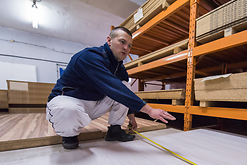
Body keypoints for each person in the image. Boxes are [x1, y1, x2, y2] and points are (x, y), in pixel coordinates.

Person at [46, 27, 176, 149]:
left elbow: (123, 91)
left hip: (94, 104)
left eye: (129, 46)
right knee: (68, 109)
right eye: (122, 42)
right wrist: (150, 110)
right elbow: (113, 87)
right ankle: (69, 136)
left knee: (125, 85)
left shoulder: (119, 67)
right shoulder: (89, 57)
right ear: (109, 40)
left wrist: (131, 117)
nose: (126, 48)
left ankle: (115, 130)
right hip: (69, 100)